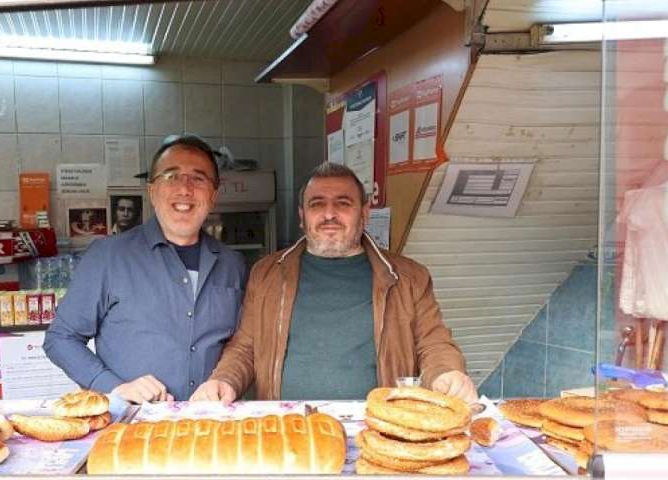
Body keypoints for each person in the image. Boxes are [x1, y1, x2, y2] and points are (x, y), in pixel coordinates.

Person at [191, 162, 477, 404]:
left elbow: (434, 343)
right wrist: (223, 380)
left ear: (364, 213)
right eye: (317, 204)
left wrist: (446, 373)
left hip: (379, 427)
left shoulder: (409, 277)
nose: (329, 214)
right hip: (290, 429)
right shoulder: (266, 273)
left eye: (343, 203)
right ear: (302, 217)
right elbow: (245, 347)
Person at [44, 135, 247, 403]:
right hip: (133, 428)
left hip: (208, 426)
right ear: (152, 191)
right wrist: (114, 387)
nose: (185, 189)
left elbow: (242, 343)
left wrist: (225, 380)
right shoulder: (107, 256)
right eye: (171, 176)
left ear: (213, 195)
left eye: (198, 178)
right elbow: (60, 338)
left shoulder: (232, 264)